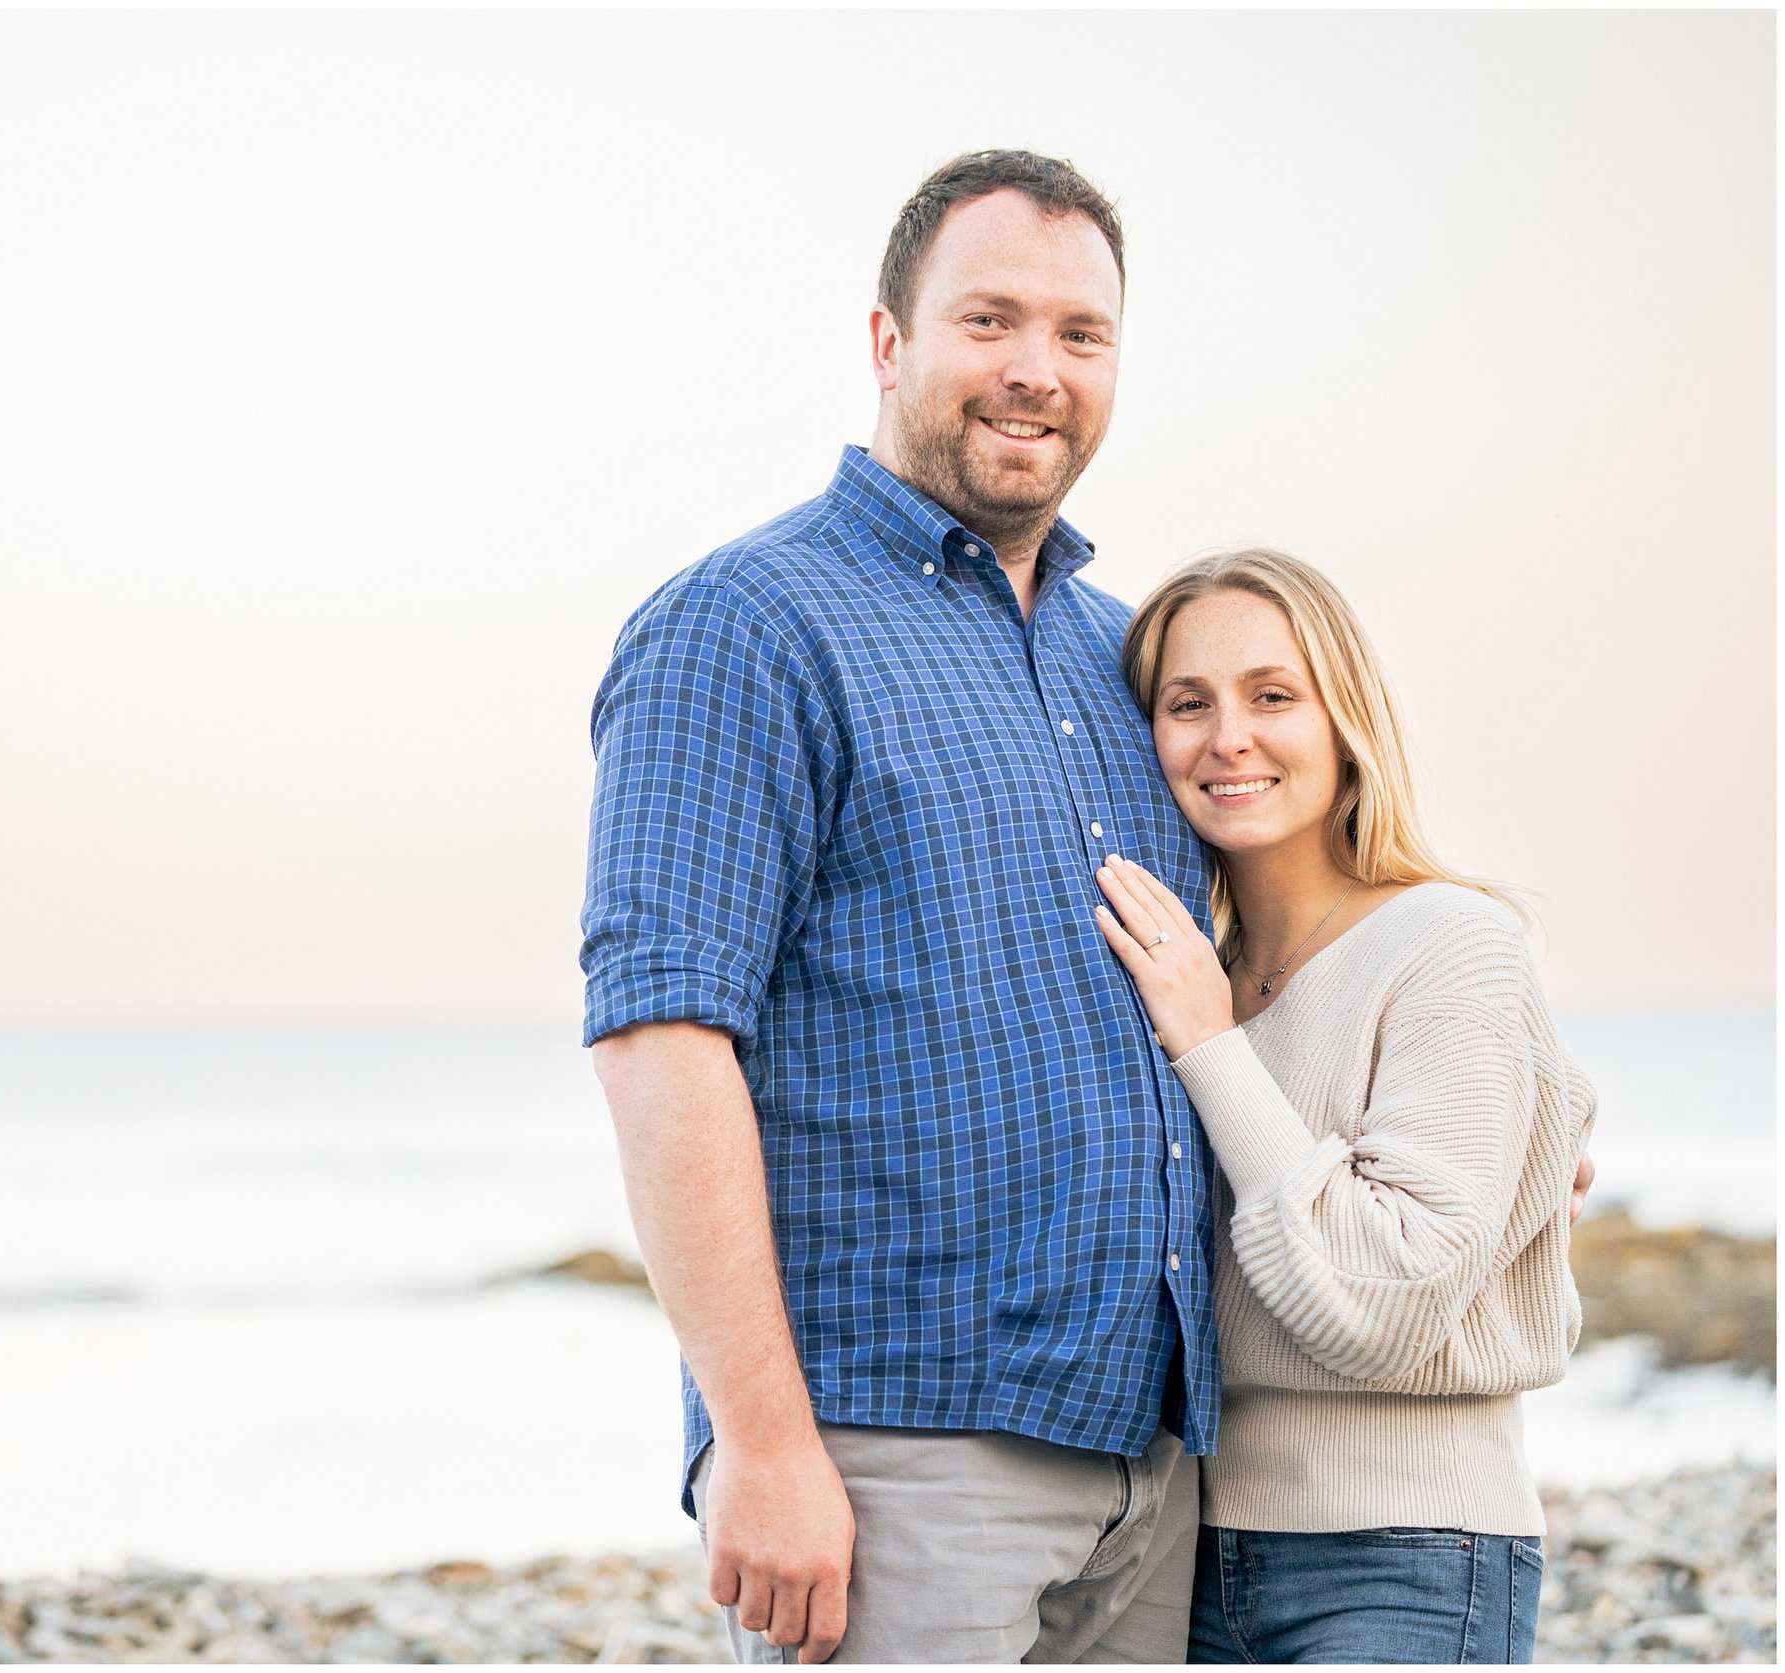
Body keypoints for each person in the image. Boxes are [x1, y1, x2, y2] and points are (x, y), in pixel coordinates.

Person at [580, 149, 1217, 1665]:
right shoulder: (746, 626)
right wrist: (764, 1443)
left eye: (1081, 335)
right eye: (988, 321)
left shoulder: (1126, 657)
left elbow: (1258, 964)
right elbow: (662, 1040)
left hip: (1157, 1461)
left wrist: (1500, 1089)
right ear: (889, 343)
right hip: (891, 1461)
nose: (1036, 373)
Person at [1091, 547, 1599, 1664]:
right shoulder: (1186, 970)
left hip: (1410, 1557)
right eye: (1188, 703)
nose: (1229, 735)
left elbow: (1380, 1296)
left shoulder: (1449, 943)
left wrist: (1213, 1047)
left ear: (1344, 719)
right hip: (1186, 1552)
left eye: (1272, 695)